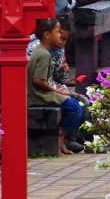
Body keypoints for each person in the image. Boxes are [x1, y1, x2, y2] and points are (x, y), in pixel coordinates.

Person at [28, 18, 85, 155]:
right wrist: (55, 90)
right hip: (40, 94)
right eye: (57, 32)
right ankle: (61, 140)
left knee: (81, 103)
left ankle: (68, 139)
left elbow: (49, 77)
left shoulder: (44, 51)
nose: (59, 36)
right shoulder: (42, 53)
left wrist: (61, 73)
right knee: (74, 107)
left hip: (46, 90)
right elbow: (38, 80)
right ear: (47, 35)